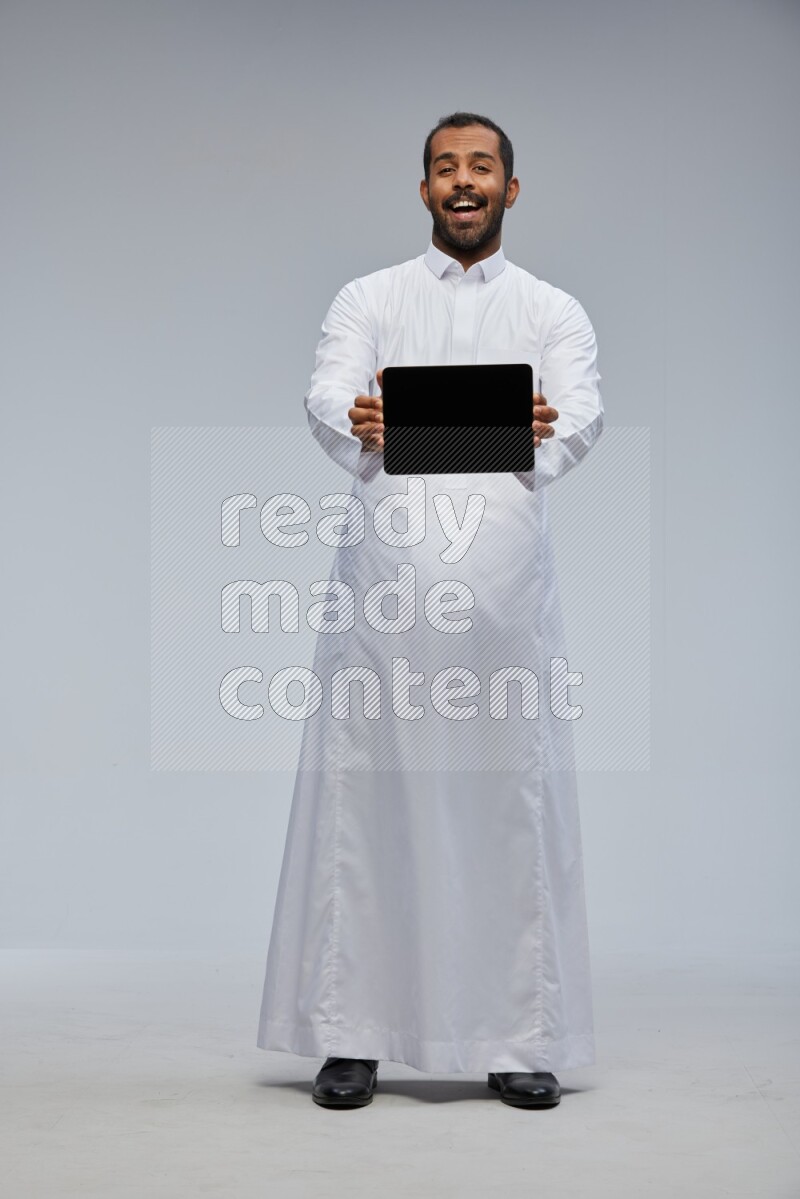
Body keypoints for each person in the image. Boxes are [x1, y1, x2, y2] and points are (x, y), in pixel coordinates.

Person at [257, 112, 604, 1110]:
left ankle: (516, 1034)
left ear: (509, 188)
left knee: (507, 804)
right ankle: (349, 1031)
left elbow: (569, 420)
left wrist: (422, 415)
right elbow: (333, 396)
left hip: (502, 599)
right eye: (445, 167)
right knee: (366, 806)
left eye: (480, 166)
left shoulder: (551, 311)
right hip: (385, 590)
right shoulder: (369, 298)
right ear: (422, 190)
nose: (463, 181)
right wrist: (386, 415)